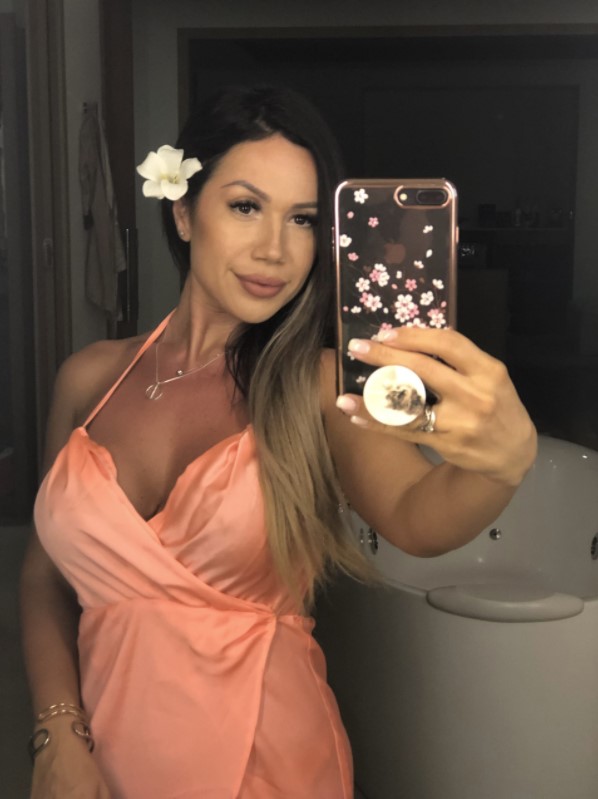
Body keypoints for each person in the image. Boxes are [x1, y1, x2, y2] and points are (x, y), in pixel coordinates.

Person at [20, 85, 537, 799]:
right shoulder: (88, 379)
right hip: (103, 757)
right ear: (183, 211)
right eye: (245, 207)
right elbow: (43, 577)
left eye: (303, 219)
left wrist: (503, 463)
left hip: (268, 763)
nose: (275, 250)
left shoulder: (315, 385)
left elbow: (417, 515)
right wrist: (57, 733)